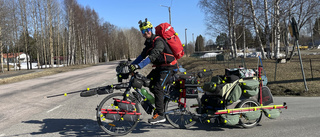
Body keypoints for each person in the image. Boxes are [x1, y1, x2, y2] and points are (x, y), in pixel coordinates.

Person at [130, 18, 178, 124]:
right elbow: (142, 56)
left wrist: (139, 66)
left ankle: (161, 115)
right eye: (143, 31)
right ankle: (161, 101)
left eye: (147, 30)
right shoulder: (149, 44)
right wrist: (131, 65)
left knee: (157, 87)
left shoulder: (158, 41)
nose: (146, 32)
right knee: (148, 82)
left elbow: (153, 56)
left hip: (169, 67)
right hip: (160, 68)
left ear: (151, 29)